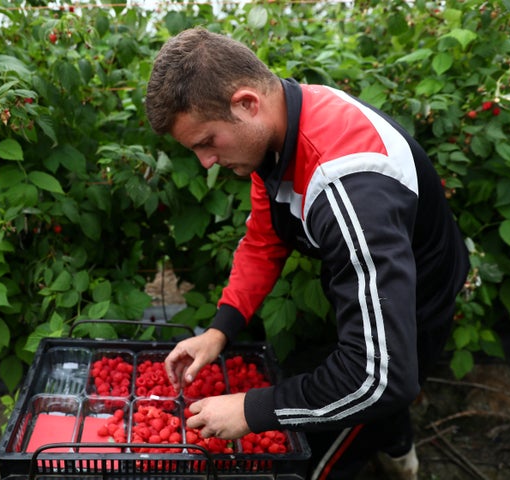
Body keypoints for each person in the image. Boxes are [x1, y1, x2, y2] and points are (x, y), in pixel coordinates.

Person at [145, 27, 470, 480]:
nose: (204, 162)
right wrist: (220, 330)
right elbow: (265, 238)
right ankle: (400, 455)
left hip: (414, 298)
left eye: (206, 142)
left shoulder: (348, 186)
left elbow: (378, 378)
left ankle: (384, 452)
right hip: (370, 273)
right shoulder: (276, 133)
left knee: (317, 457)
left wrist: (252, 409)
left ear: (245, 104)